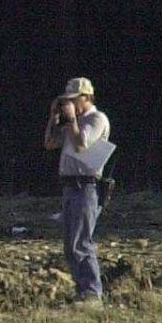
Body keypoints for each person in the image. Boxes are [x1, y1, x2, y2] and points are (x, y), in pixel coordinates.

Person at [43, 75, 112, 305]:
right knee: (70, 244)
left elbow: (82, 146)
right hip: (70, 187)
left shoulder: (96, 119)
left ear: (86, 97)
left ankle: (92, 294)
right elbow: (50, 143)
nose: (69, 104)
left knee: (82, 242)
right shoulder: (74, 123)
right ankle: (82, 291)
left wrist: (71, 119)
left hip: (87, 187)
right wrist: (54, 118)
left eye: (73, 100)